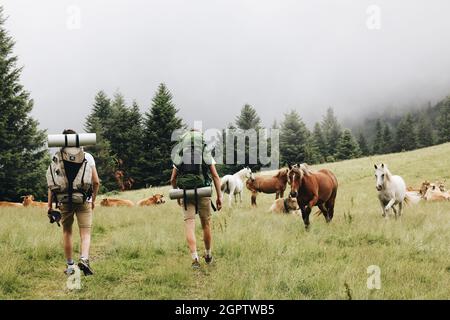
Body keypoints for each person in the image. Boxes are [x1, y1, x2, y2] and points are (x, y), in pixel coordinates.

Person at [47, 129, 100, 276]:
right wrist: (93, 200)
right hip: (83, 200)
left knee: (67, 232)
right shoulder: (87, 156)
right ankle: (84, 259)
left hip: (63, 202)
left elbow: (51, 184)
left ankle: (70, 266)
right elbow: (96, 182)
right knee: (85, 233)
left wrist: (49, 206)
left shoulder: (56, 157)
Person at [170, 129, 222, 268]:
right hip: (203, 192)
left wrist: (177, 194)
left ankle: (195, 259)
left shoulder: (180, 153)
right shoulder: (205, 152)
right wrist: (219, 196)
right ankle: (208, 254)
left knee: (189, 225)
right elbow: (216, 177)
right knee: (206, 225)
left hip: (186, 194)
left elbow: (173, 178)